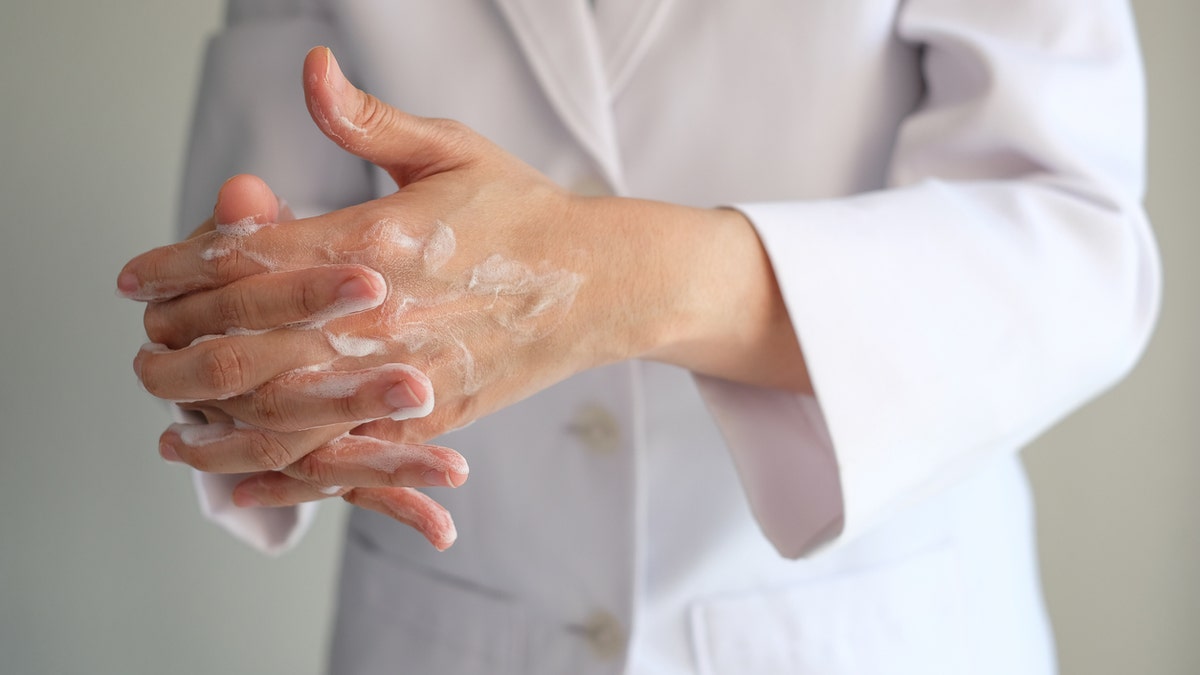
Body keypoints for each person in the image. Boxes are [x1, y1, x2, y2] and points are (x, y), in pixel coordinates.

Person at [118, 1, 1160, 673]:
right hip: (448, 635)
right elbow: (262, 258)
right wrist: (268, 368)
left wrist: (616, 278)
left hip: (869, 634)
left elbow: (1075, 249)